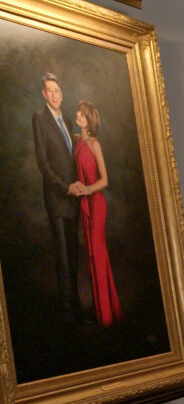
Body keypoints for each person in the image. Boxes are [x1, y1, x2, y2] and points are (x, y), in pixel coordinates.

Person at [32, 72, 85, 322]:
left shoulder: (68, 121)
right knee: (62, 257)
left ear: (61, 95)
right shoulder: (39, 119)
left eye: (57, 91)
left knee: (74, 254)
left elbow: (70, 158)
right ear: (44, 94)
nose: (54, 94)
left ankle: (75, 304)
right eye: (49, 90)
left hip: (74, 199)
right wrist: (66, 188)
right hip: (58, 197)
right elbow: (43, 164)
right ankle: (67, 313)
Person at [74, 100, 123, 327]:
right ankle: (102, 311)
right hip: (85, 204)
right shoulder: (78, 142)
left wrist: (87, 190)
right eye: (78, 113)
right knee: (91, 255)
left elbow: (105, 180)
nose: (78, 115)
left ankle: (107, 316)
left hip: (96, 203)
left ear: (89, 121)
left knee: (99, 255)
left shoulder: (94, 144)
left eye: (82, 114)